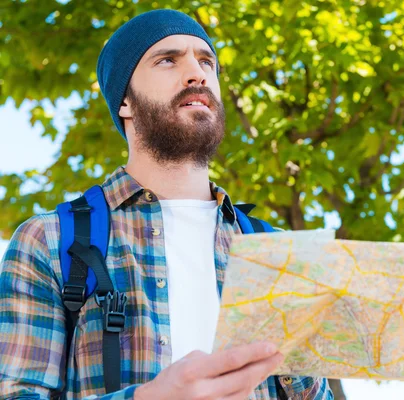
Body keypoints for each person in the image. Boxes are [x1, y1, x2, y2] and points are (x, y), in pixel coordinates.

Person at [0, 9, 332, 400]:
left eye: (206, 60)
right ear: (124, 101)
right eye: (167, 60)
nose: (197, 73)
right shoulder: (50, 241)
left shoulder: (279, 254)